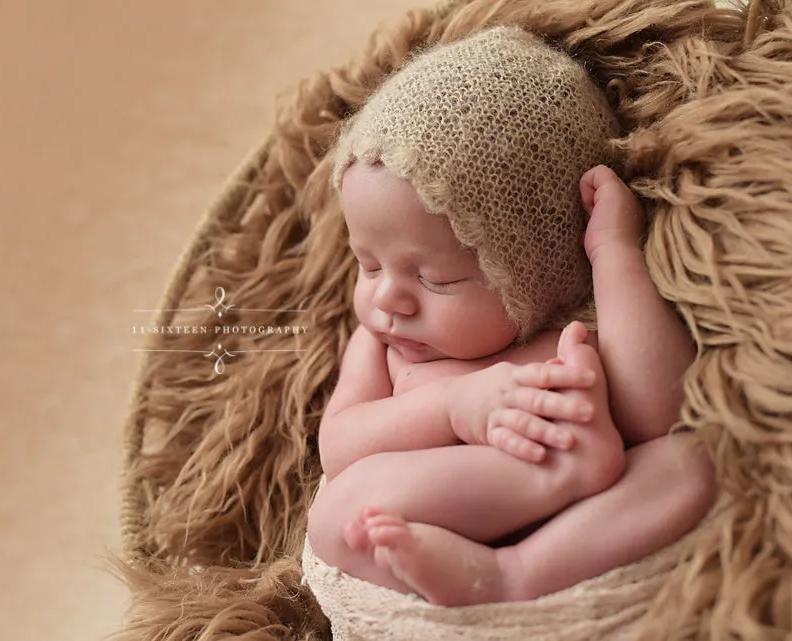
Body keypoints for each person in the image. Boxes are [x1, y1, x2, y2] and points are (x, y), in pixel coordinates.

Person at [306, 27, 718, 607]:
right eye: (368, 265)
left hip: (570, 532)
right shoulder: (386, 347)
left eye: (434, 279)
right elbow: (342, 447)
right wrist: (454, 407)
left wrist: (613, 255)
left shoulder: (569, 333)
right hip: (434, 515)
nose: (387, 299)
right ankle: (533, 519)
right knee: (337, 515)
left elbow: (659, 412)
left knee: (689, 462)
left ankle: (520, 572)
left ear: (532, 273)